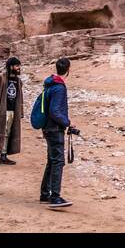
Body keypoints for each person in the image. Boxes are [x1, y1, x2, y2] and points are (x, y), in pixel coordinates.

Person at [40, 57, 78, 209]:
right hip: (55, 129)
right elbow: (55, 111)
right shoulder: (59, 88)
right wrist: (68, 122)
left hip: (48, 127)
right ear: (68, 70)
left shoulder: (50, 84)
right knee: (58, 161)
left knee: (52, 160)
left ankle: (44, 194)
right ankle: (55, 196)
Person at [0, 56, 24, 166]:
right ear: (11, 66)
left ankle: (3, 156)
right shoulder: (1, 78)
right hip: (1, 111)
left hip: (12, 112)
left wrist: (20, 112)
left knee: (8, 133)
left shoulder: (18, 81)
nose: (18, 68)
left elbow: (20, 97)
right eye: (17, 66)